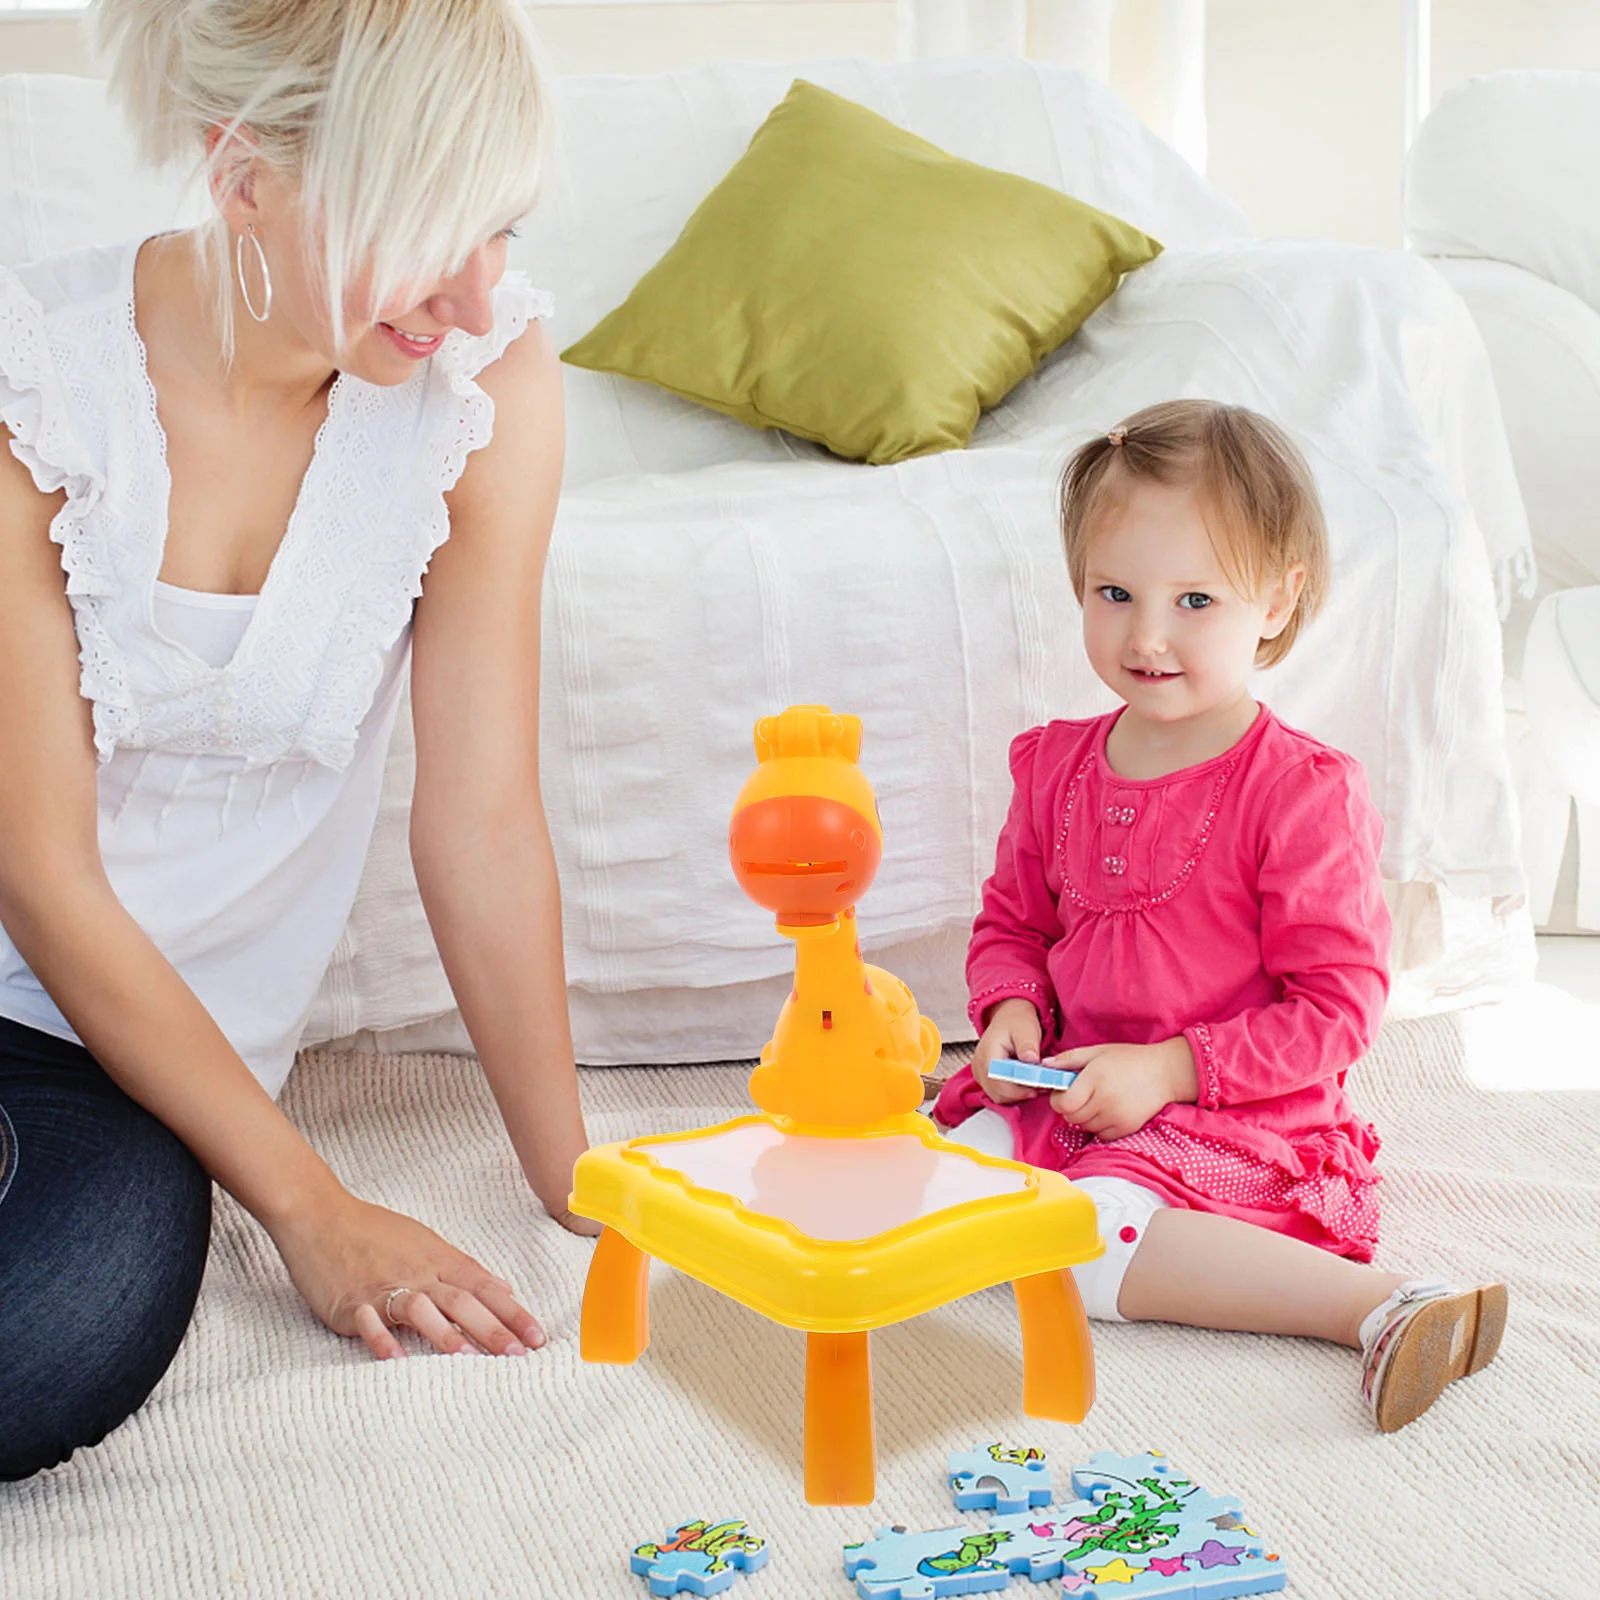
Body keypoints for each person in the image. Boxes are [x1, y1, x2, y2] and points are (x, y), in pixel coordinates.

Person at [0, 0, 596, 1482]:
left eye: (501, 229)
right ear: (242, 173)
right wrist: (315, 1209)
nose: (473, 294)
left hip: (103, 1077)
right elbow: (41, 875)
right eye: (430, 231)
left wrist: (573, 1173)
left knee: (64, 1318)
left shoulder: (485, 390)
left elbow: (481, 822)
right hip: (29, 966)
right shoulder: (30, 391)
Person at [933, 398, 1508, 1433]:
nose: (1146, 635)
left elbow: (1334, 1009)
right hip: (1071, 1090)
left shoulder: (1297, 791)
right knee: (935, 1176)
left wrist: (1170, 1070)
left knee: (1081, 1240)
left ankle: (1381, 1308)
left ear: (1277, 603)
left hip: (1233, 1108)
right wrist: (1010, 1010)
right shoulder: (1056, 763)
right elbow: (1011, 926)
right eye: (1114, 593)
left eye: (1194, 599)